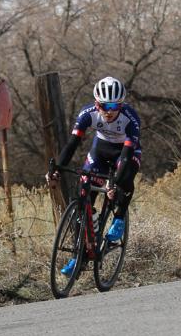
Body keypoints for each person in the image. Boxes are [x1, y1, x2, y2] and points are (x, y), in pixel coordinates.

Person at [45, 75, 141, 276]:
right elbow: (73, 144)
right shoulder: (87, 114)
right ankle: (80, 254)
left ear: (121, 104)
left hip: (125, 152)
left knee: (124, 179)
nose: (109, 111)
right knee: (82, 196)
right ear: (96, 103)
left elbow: (126, 155)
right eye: (104, 105)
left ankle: (120, 218)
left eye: (115, 105)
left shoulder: (130, 119)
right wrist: (57, 169)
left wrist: (114, 183)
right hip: (101, 150)